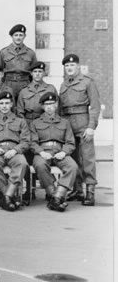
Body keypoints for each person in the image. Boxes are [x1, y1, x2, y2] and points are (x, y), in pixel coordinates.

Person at [59, 53, 101, 206]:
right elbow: (61, 109)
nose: (69, 68)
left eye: (72, 65)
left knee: (87, 159)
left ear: (78, 66)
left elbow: (95, 107)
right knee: (74, 159)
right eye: (67, 66)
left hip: (83, 124)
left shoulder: (87, 82)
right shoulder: (63, 85)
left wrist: (91, 127)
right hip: (68, 126)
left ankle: (90, 192)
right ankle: (77, 190)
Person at [29, 92, 78, 212]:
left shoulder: (64, 122)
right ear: (42, 106)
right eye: (46, 104)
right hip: (43, 152)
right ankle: (52, 194)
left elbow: (70, 142)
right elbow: (32, 143)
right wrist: (41, 152)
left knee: (73, 166)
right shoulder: (35, 123)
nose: (49, 107)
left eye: (52, 104)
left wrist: (64, 152)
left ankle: (57, 196)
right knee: (40, 164)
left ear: (56, 105)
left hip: (59, 152)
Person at [0, 91, 30, 212]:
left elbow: (26, 141)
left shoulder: (20, 121)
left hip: (14, 151)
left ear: (11, 104)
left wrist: (15, 150)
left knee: (22, 163)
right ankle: (10, 195)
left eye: (7, 103)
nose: (4, 106)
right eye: (1, 103)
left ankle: (7, 197)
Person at [0, 23, 36, 99]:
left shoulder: (30, 53)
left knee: (25, 105)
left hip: (25, 84)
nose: (18, 38)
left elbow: (34, 72)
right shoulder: (4, 52)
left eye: (21, 35)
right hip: (8, 84)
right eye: (16, 35)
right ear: (12, 36)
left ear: (24, 36)